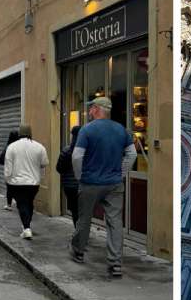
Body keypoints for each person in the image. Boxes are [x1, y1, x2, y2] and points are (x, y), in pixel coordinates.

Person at [69, 96, 136, 278]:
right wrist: (120, 173)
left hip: (90, 183)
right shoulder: (121, 130)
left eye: (91, 108)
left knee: (84, 218)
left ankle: (79, 251)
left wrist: (79, 176)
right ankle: (115, 263)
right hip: (113, 185)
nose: (89, 111)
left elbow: (76, 156)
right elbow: (132, 155)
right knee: (115, 222)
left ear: (97, 109)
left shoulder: (87, 130)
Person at [3, 124, 49, 239]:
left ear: (19, 134)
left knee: (22, 204)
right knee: (29, 203)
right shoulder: (39, 147)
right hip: (34, 183)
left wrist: (7, 179)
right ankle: (26, 226)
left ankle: (27, 228)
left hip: (17, 182)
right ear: (30, 133)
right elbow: (44, 163)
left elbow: (8, 166)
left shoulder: (12, 147)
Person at [56, 125, 82, 226]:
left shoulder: (67, 150)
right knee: (85, 211)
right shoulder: (88, 151)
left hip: (70, 187)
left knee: (75, 211)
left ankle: (78, 232)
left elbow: (59, 168)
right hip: (85, 186)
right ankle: (83, 232)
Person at [0, 130, 20, 210]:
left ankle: (9, 205)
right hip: (19, 170)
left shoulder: (9, 146)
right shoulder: (20, 146)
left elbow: (1, 159)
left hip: (10, 170)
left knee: (10, 188)